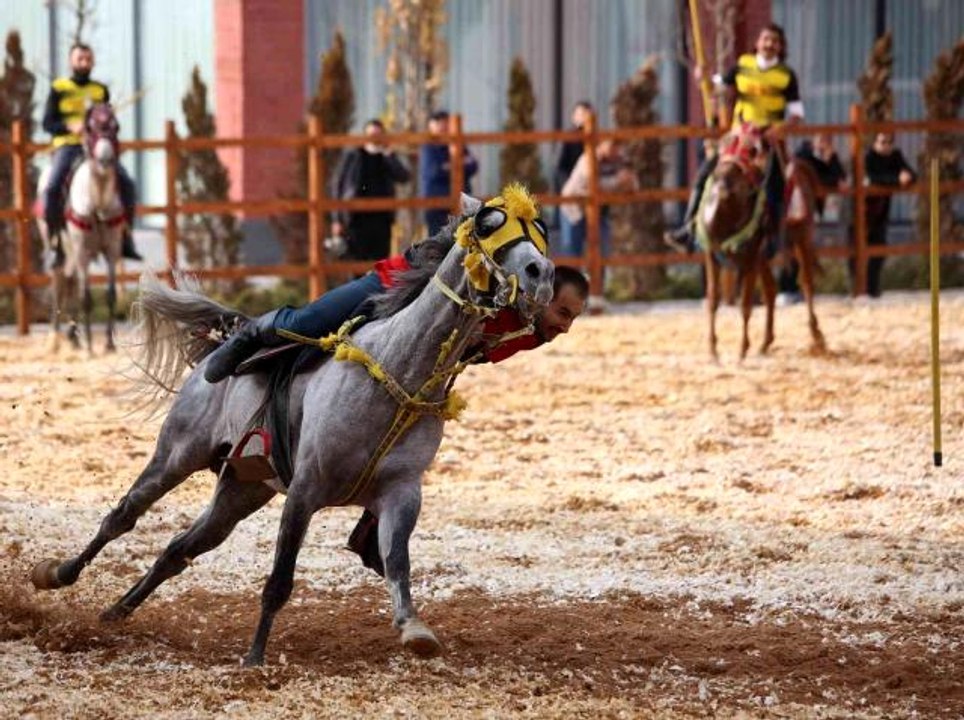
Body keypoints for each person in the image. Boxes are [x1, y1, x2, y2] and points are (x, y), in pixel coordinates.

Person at [664, 23, 804, 255]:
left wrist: (780, 130)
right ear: (757, 43)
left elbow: (797, 115)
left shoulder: (787, 75)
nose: (769, 44)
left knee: (778, 185)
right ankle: (687, 231)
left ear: (780, 46)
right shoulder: (742, 65)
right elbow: (717, 86)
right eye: (766, 39)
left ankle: (775, 239)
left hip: (768, 140)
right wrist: (704, 77)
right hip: (739, 136)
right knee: (705, 175)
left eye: (774, 41)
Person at [42, 43, 141, 261]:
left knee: (127, 183)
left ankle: (126, 237)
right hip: (68, 146)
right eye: (80, 59)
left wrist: (104, 130)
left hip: (96, 149)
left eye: (88, 59)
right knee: (52, 187)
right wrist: (70, 126)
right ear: (71, 61)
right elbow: (47, 123)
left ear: (93, 62)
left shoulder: (100, 90)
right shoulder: (59, 88)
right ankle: (55, 242)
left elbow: (111, 124)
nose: (84, 63)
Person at [778, 132, 849, 303]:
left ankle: (797, 289)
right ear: (815, 141)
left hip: (808, 212)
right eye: (821, 140)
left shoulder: (823, 159)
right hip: (793, 209)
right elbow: (825, 179)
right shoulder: (805, 155)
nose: (824, 144)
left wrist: (831, 158)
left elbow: (839, 179)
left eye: (827, 142)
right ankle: (786, 289)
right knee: (791, 247)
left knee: (803, 249)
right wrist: (830, 171)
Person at [331, 118, 411, 261]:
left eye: (378, 135)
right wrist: (336, 219)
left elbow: (403, 176)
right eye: (371, 134)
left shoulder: (386, 156)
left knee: (380, 263)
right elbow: (338, 185)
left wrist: (389, 155)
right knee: (356, 263)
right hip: (356, 218)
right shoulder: (353, 156)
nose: (374, 138)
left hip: (382, 218)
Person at [852, 132, 916, 298]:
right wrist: (897, 178)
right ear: (874, 142)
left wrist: (906, 176)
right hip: (859, 212)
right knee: (855, 253)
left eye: (889, 142)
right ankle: (857, 290)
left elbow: (912, 174)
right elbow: (872, 178)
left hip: (880, 212)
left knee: (879, 251)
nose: (886, 145)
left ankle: (872, 290)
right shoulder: (868, 157)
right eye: (882, 142)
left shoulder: (895, 156)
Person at [558, 139, 637, 257]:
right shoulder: (588, 159)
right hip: (574, 210)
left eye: (616, 147)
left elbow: (633, 183)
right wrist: (618, 181)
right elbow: (593, 185)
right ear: (602, 144)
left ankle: (597, 276)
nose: (614, 151)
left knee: (602, 252)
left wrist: (627, 181)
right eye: (611, 146)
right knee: (573, 253)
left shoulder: (618, 161)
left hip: (598, 212)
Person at [419, 110, 479, 236]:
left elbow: (473, 166)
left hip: (462, 202)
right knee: (438, 241)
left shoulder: (458, 144)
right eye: (440, 125)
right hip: (437, 203)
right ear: (431, 127)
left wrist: (449, 166)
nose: (443, 129)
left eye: (445, 125)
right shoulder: (429, 147)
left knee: (464, 240)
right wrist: (460, 165)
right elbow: (434, 172)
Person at [554, 100, 594, 192]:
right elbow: (559, 168)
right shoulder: (567, 138)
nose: (584, 119)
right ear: (574, 117)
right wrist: (568, 185)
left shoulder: (597, 139)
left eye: (587, 115)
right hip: (572, 187)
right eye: (581, 115)